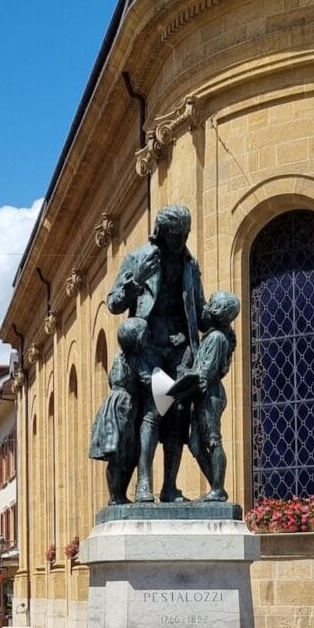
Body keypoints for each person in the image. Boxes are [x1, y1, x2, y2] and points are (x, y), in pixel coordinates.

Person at [106, 204, 206, 503]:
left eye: (185, 234)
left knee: (177, 413)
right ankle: (144, 483)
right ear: (162, 232)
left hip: (180, 345)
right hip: (148, 344)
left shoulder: (190, 264)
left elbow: (198, 311)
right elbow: (113, 304)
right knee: (152, 410)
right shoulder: (138, 258)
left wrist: (218, 319)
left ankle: (171, 486)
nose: (181, 240)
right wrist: (135, 280)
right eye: (176, 235)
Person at [169, 291, 240, 502]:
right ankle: (216, 488)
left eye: (210, 304)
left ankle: (218, 489)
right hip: (203, 395)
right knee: (195, 444)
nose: (206, 307)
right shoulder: (211, 336)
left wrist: (180, 384)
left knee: (212, 440)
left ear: (217, 311)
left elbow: (205, 373)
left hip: (210, 395)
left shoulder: (217, 338)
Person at [89, 318, 146, 504]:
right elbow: (145, 378)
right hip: (122, 409)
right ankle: (116, 496)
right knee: (120, 454)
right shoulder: (131, 360)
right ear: (136, 339)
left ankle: (118, 495)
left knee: (128, 455)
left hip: (123, 407)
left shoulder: (122, 358)